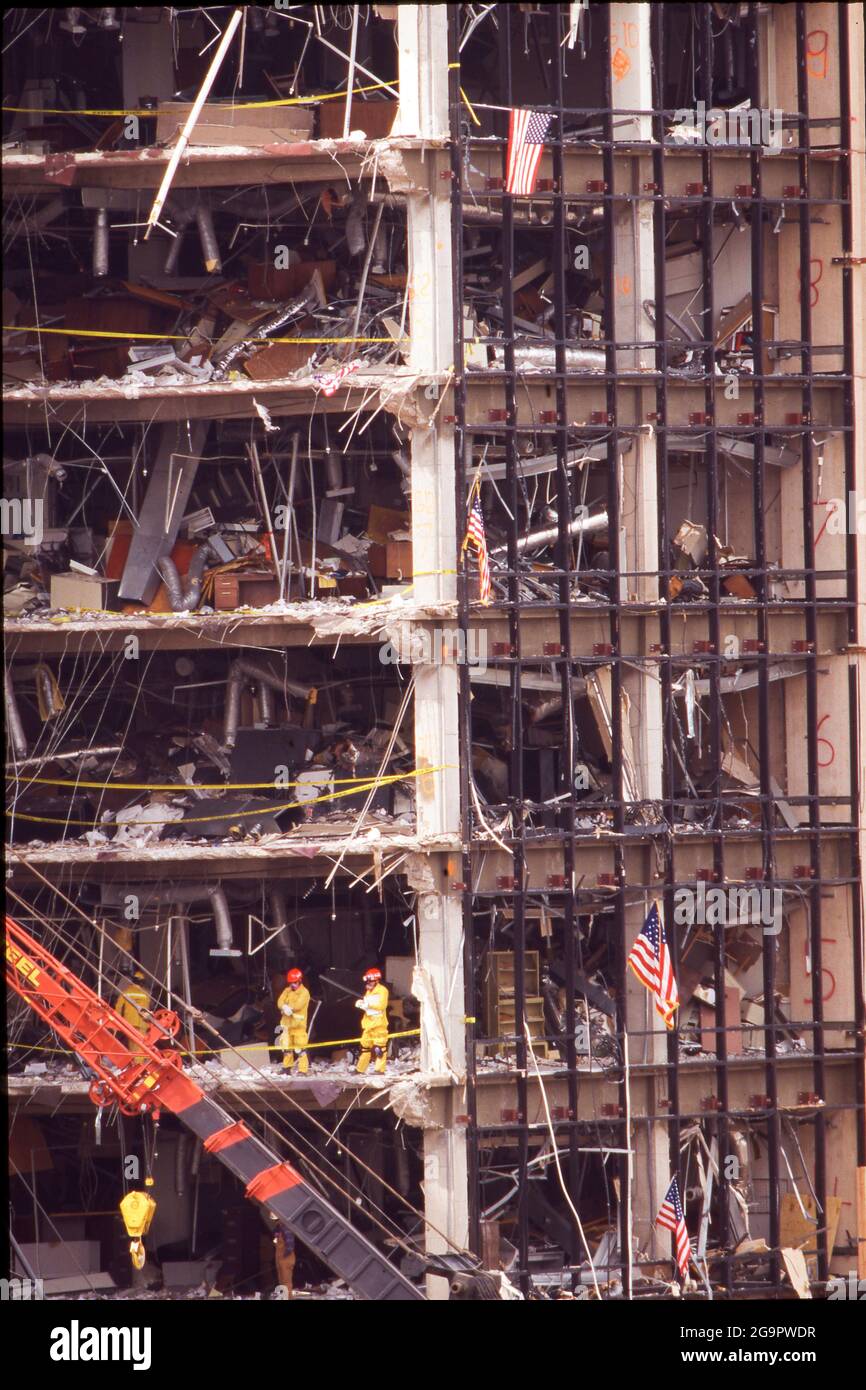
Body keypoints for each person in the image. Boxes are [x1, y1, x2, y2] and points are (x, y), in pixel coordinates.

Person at [355, 967, 389, 1074]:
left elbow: (381, 1005)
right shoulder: (369, 991)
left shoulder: (382, 991)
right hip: (368, 1024)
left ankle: (379, 1070)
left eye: (370, 981)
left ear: (376, 980)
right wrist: (362, 1004)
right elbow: (368, 1006)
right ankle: (360, 1069)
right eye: (367, 981)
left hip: (378, 1024)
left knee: (380, 1049)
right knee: (365, 1048)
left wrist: (367, 1005)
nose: (368, 983)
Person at [276, 968, 310, 1074]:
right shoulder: (287, 990)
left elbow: (299, 1005)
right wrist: (284, 1007)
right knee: (286, 1048)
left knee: (300, 1049)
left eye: (294, 983)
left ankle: (303, 1070)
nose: (293, 985)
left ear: (299, 981)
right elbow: (279, 1001)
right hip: (287, 1025)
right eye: (291, 983)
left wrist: (289, 1007)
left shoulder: (305, 993)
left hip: (298, 1026)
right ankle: (287, 1067)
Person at [114, 969, 150, 1035]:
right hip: (143, 1024)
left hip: (130, 1023)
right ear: (142, 982)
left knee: (132, 1043)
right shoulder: (146, 993)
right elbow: (148, 1007)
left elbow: (118, 1007)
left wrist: (116, 1023)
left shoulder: (126, 992)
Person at [274, 1225, 296, 1295]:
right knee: (281, 1281)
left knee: (286, 1282)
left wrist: (284, 1255)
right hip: (280, 1259)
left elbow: (290, 1246)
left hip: (286, 1259)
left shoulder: (287, 1230)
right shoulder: (278, 1230)